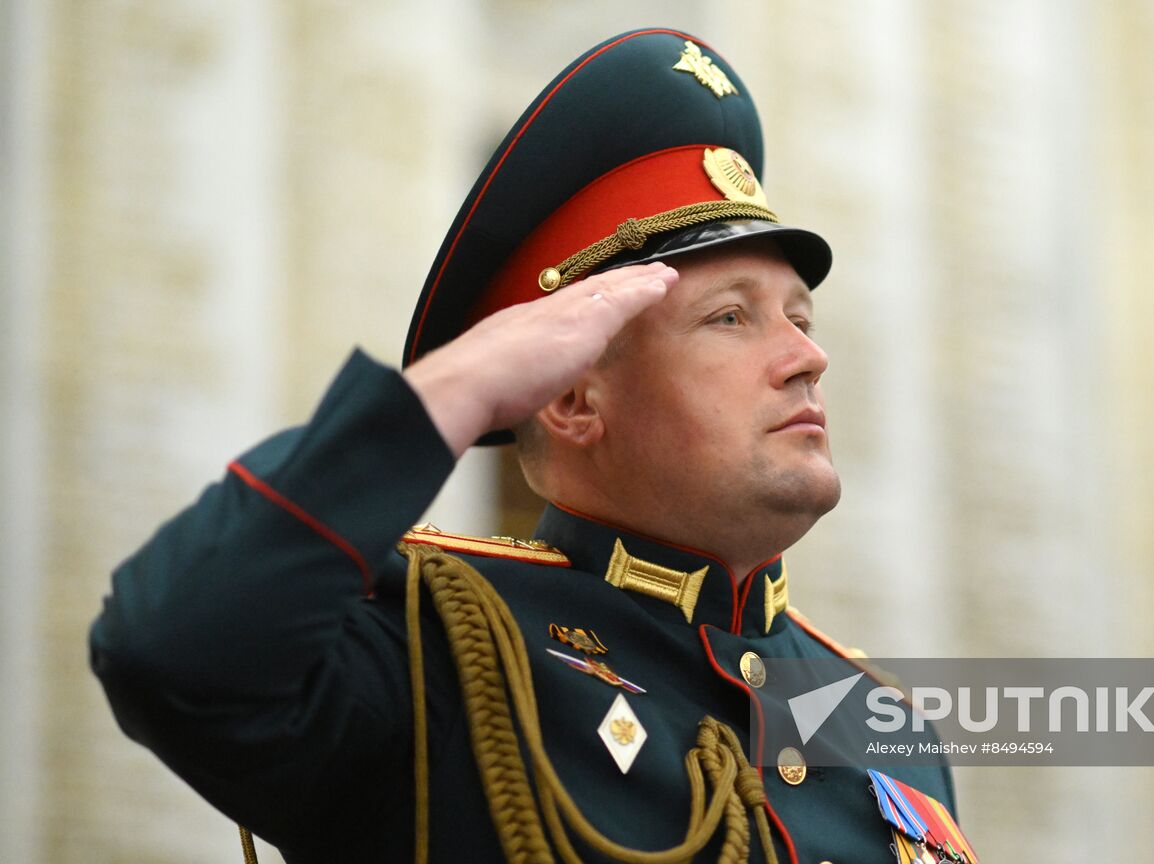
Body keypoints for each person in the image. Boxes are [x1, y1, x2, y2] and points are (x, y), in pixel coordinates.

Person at [91, 28, 969, 864]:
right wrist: (458, 388)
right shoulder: (442, 649)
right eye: (732, 317)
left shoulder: (872, 716)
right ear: (573, 397)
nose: (807, 358)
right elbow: (170, 651)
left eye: (802, 320)